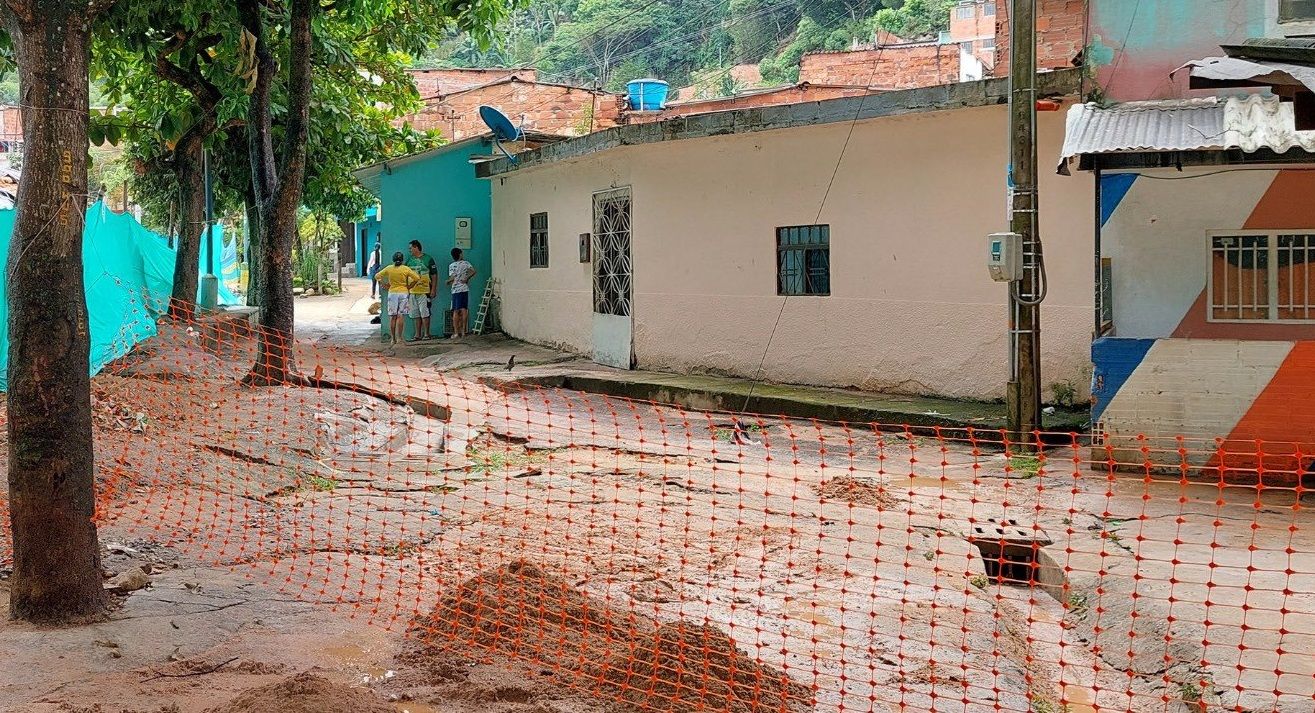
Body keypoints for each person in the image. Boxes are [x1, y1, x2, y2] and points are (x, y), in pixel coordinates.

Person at [374, 251, 420, 345]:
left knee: (393, 316)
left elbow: (377, 276)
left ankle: (393, 339)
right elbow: (417, 278)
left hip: (392, 293)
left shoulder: (389, 268)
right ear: (402, 260)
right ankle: (399, 338)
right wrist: (410, 286)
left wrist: (383, 284)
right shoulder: (406, 269)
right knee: (400, 315)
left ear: (393, 260)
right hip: (403, 293)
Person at [406, 240, 439, 341]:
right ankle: (417, 334)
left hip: (424, 291)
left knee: (425, 312)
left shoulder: (428, 259)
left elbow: (434, 275)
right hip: (412, 291)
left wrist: (433, 289)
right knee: (415, 313)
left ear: (416, 247)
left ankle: (426, 334)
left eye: (410, 248)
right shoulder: (409, 260)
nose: (409, 250)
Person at [447, 247, 476, 339]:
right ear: (459, 254)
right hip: (464, 289)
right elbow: (473, 271)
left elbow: (452, 277)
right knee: (464, 309)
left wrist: (448, 281)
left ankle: (456, 332)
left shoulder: (452, 266)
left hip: (455, 290)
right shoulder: (466, 263)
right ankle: (463, 331)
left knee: (455, 310)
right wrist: (467, 278)